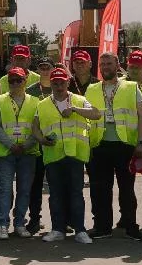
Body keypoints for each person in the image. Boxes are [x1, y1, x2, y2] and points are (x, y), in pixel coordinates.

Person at [83, 51, 142, 238]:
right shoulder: (92, 89)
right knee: (100, 188)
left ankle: (130, 224)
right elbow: (87, 117)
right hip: (99, 144)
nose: (105, 67)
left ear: (117, 65)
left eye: (109, 64)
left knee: (126, 188)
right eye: (102, 64)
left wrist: (141, 142)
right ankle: (102, 226)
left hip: (124, 144)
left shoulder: (131, 87)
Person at [36, 67, 100, 244]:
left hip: (75, 155)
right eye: (55, 83)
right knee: (55, 194)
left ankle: (80, 230)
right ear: (51, 83)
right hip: (54, 156)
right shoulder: (42, 104)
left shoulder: (79, 100)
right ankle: (57, 229)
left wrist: (75, 109)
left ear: (68, 82)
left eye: (62, 82)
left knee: (76, 194)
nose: (58, 86)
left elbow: (96, 114)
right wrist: (41, 139)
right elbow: (35, 126)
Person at [0, 64, 39, 239]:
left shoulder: (35, 102)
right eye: (12, 81)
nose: (15, 83)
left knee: (24, 189)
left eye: (19, 80)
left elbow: (38, 128)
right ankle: (2, 224)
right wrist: (11, 145)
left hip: (28, 152)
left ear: (25, 81)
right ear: (7, 83)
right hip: (5, 153)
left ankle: (19, 224)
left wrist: (26, 146)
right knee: (4, 189)